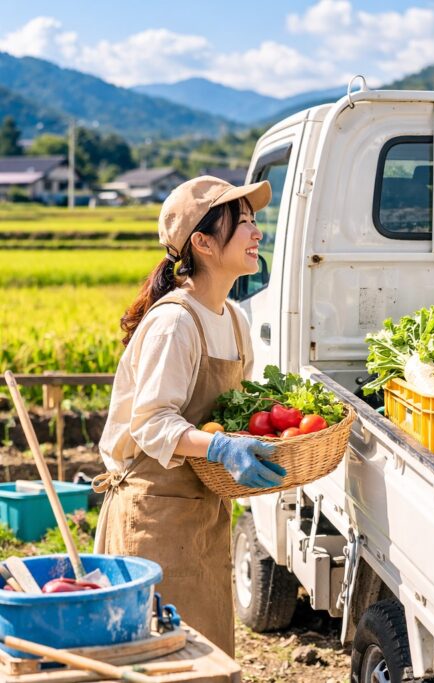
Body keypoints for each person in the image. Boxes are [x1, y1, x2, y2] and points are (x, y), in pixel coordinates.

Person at [93, 176, 287, 656]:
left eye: (254, 220)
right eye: (242, 222)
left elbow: (231, 413)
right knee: (159, 658)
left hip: (204, 513)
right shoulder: (175, 322)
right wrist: (220, 447)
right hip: (153, 517)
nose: (257, 232)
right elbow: (151, 422)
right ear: (202, 242)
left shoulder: (235, 320)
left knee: (208, 654)